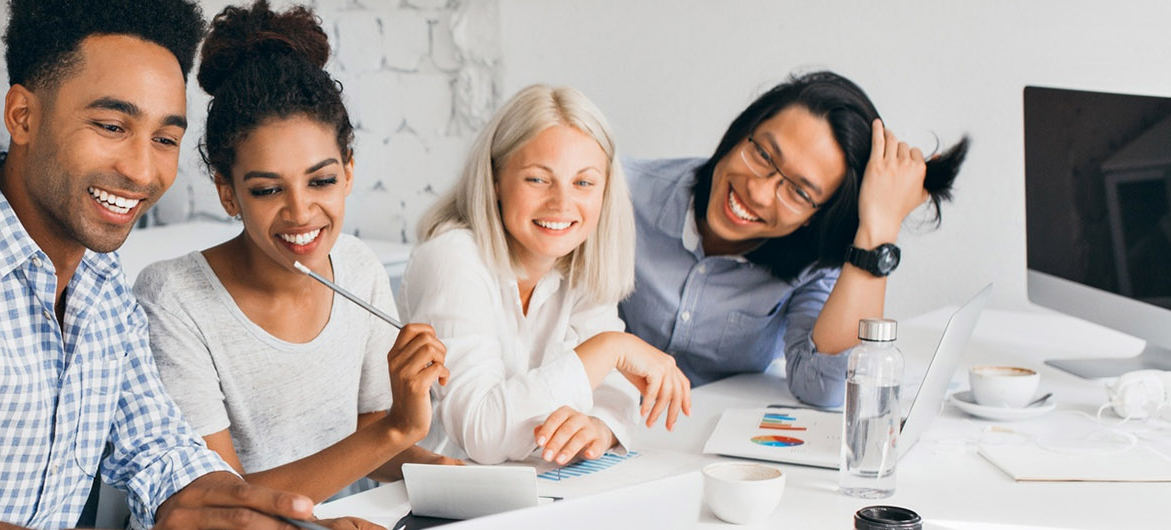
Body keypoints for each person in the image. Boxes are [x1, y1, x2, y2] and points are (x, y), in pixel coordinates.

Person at [0, 1, 367, 529]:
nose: (142, 171)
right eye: (112, 127)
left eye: (165, 139)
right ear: (22, 116)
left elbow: (162, 456)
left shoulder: (101, 285)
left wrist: (272, 518)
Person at [135, 0, 458, 504]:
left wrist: (445, 471)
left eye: (322, 180)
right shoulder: (173, 298)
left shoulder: (357, 267)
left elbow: (366, 436)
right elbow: (220, 502)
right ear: (228, 193)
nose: (301, 212)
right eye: (267, 190)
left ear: (348, 172)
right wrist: (397, 429)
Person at [619, 71, 970, 407]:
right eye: (763, 155)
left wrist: (877, 233)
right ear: (743, 131)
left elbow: (827, 387)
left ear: (816, 216)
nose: (758, 192)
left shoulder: (813, 262)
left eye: (799, 193)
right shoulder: (618, 193)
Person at [401, 85, 692, 466]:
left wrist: (597, 427)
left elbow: (614, 395)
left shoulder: (578, 261)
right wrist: (610, 348)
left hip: (537, 483)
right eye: (538, 179)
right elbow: (481, 432)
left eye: (583, 183)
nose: (561, 203)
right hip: (437, 491)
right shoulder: (452, 257)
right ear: (495, 180)